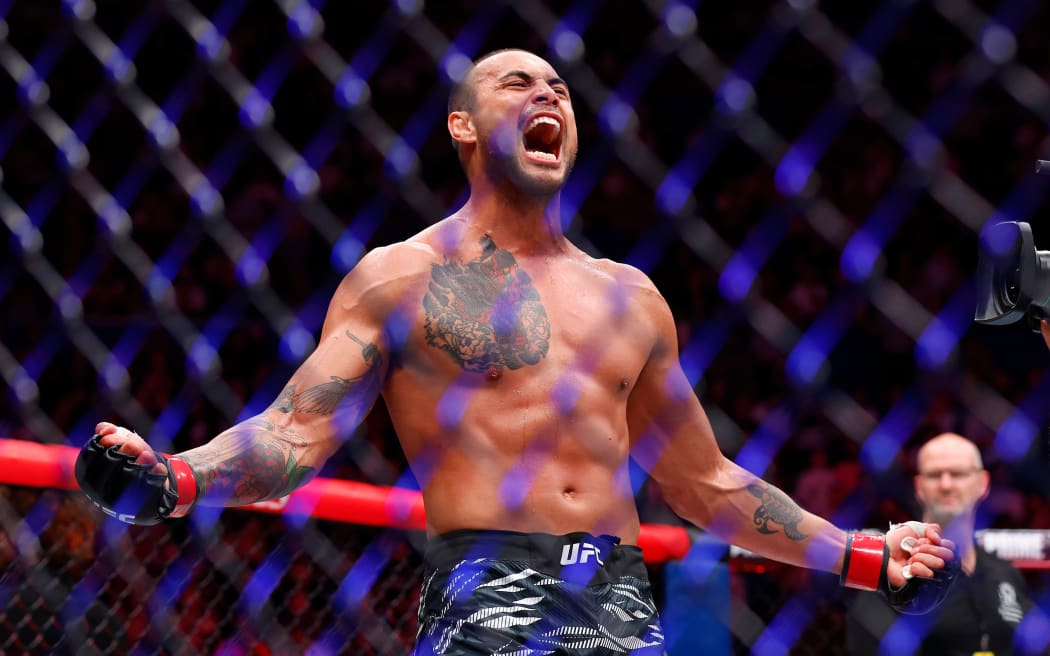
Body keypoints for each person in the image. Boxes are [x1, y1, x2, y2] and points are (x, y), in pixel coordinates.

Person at [74, 49, 957, 655]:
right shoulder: (401, 278)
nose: (548, 97)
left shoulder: (631, 297)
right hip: (485, 596)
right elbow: (294, 434)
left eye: (561, 90)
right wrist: (178, 477)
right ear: (462, 126)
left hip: (617, 602)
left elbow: (704, 484)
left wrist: (865, 555)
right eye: (518, 84)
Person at [847, 432, 1034, 655]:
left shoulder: (1005, 573)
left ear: (983, 483)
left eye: (958, 474)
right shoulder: (893, 576)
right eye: (935, 475)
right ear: (918, 487)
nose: (946, 485)